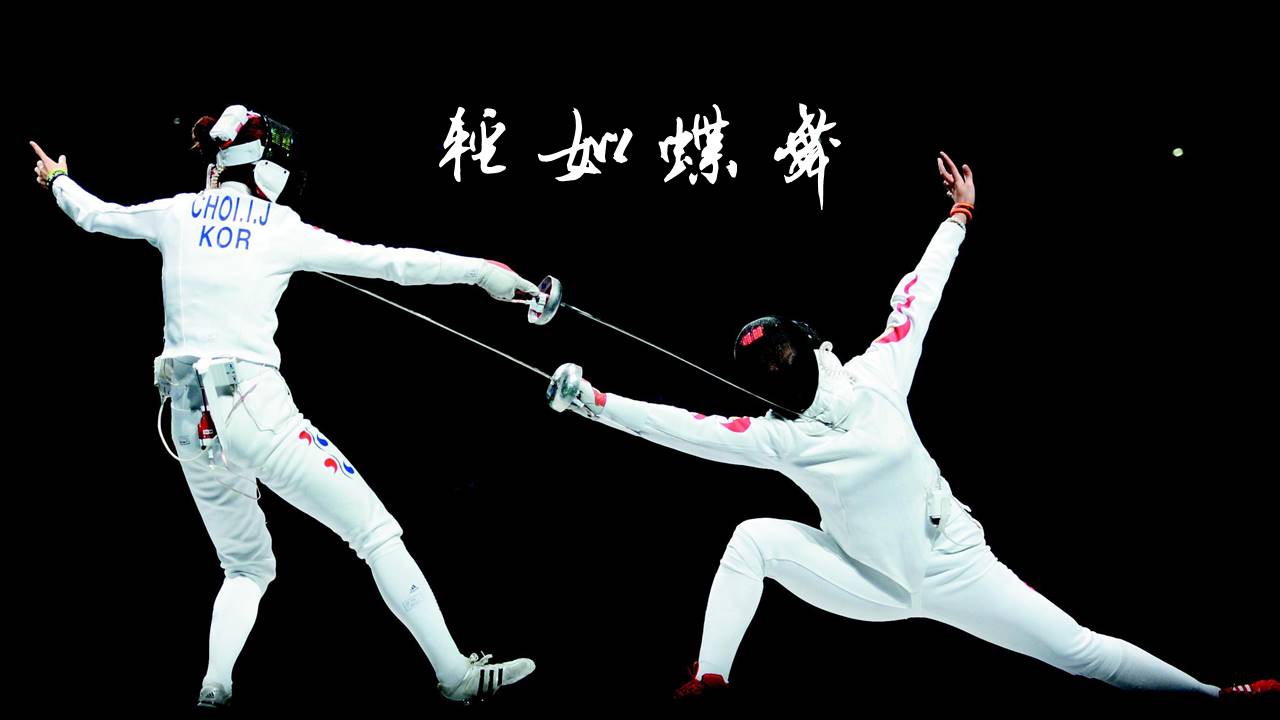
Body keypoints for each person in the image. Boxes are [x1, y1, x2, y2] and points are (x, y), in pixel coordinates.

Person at [547, 152, 1275, 701]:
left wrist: (958, 216)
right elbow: (683, 427)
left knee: (1078, 650)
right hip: (869, 583)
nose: (773, 369)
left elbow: (919, 294)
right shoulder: (780, 435)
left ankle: (1215, 698)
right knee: (752, 541)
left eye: (777, 354)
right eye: (762, 367)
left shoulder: (877, 376)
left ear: (808, 344)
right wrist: (595, 401)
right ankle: (711, 682)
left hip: (955, 567)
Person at [30, 104, 537, 709]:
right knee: (375, 533)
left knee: (245, 567)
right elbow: (391, 262)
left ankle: (215, 687)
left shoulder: (177, 212)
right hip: (255, 410)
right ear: (266, 168)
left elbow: (94, 215)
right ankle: (454, 675)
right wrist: (480, 271)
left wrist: (58, 180)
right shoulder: (279, 225)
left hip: (186, 421)